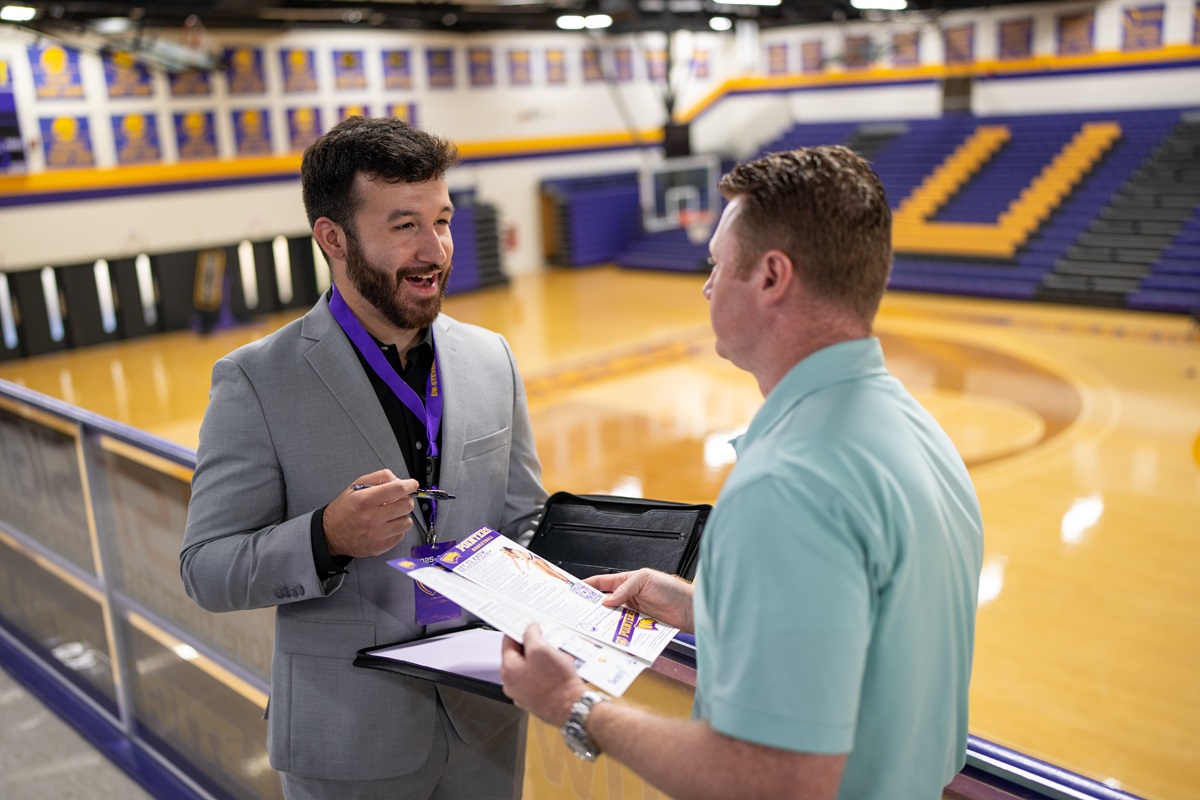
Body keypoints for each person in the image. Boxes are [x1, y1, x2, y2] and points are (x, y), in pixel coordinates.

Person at [499, 146, 984, 800]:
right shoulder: (916, 433)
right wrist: (705, 608)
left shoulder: (787, 483)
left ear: (771, 277)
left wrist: (574, 704)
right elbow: (866, 636)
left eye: (717, 264)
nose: (706, 285)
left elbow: (769, 779)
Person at [181, 116, 546, 800]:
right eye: (404, 225)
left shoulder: (491, 358)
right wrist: (325, 538)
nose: (435, 249)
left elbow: (526, 518)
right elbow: (205, 570)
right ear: (333, 238)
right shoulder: (257, 380)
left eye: (441, 220)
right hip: (347, 740)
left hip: (485, 724)